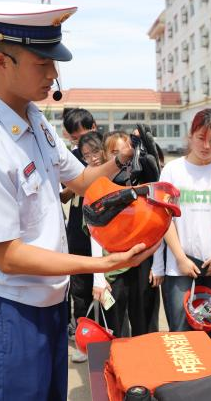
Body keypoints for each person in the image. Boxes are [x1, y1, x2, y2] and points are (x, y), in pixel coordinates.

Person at [0, 3, 159, 399]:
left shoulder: (33, 119)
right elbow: (8, 255)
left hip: (47, 301)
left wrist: (120, 159)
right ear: (1, 61)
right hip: (8, 310)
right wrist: (101, 264)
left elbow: (78, 179)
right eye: (42, 63)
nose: (53, 74)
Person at [151, 108, 211, 361]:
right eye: (202, 138)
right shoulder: (172, 171)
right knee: (181, 332)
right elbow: (164, 218)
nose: (207, 145)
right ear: (191, 135)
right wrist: (180, 258)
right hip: (180, 265)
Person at [91, 131, 161, 339]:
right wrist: (98, 277)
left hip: (143, 263)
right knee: (115, 327)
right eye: (114, 153)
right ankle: (117, 368)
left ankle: (145, 367)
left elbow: (160, 226)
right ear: (105, 155)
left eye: (127, 153)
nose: (122, 159)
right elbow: (94, 235)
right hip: (112, 267)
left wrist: (158, 265)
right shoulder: (99, 187)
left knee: (145, 325)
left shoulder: (145, 182)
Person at [58, 109, 96, 358]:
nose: (81, 139)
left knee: (106, 286)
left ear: (94, 126)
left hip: (105, 230)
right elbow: (62, 193)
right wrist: (78, 183)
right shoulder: (70, 157)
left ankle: (105, 332)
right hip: (78, 228)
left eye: (85, 132)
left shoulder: (109, 154)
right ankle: (83, 337)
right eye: (75, 136)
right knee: (80, 287)